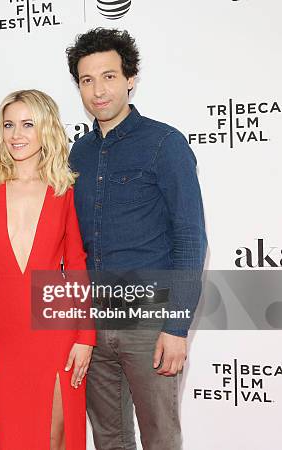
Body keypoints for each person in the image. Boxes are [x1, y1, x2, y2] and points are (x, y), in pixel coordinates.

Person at [65, 28, 207, 450]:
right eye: (87, 80)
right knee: (110, 438)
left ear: (130, 78)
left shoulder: (165, 143)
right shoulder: (78, 154)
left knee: (160, 438)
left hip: (150, 319)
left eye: (108, 76)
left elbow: (189, 237)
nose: (98, 90)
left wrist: (177, 327)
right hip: (93, 318)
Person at [0, 89, 96, 450]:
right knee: (11, 440)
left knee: (57, 438)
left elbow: (75, 266)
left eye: (28, 124)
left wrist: (85, 336)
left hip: (55, 330)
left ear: (46, 130)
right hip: (2, 334)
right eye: (9, 125)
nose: (16, 134)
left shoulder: (64, 188)